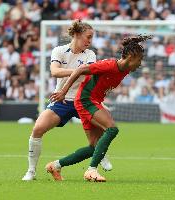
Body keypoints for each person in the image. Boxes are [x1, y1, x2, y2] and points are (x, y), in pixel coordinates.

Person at [46, 35, 152, 182]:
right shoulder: (109, 65)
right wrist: (63, 92)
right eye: (139, 60)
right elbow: (80, 70)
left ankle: (55, 165)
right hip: (85, 100)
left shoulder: (125, 70)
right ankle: (91, 171)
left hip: (92, 101)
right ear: (130, 57)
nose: (140, 64)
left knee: (93, 148)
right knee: (112, 129)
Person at [22, 20, 112, 181]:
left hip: (83, 100)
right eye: (88, 37)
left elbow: (89, 74)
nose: (90, 41)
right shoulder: (60, 51)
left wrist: (80, 72)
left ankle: (100, 154)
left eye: (91, 38)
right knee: (37, 129)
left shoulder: (90, 54)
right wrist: (79, 70)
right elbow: (55, 72)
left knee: (105, 130)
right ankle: (31, 171)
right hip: (62, 99)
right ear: (77, 35)